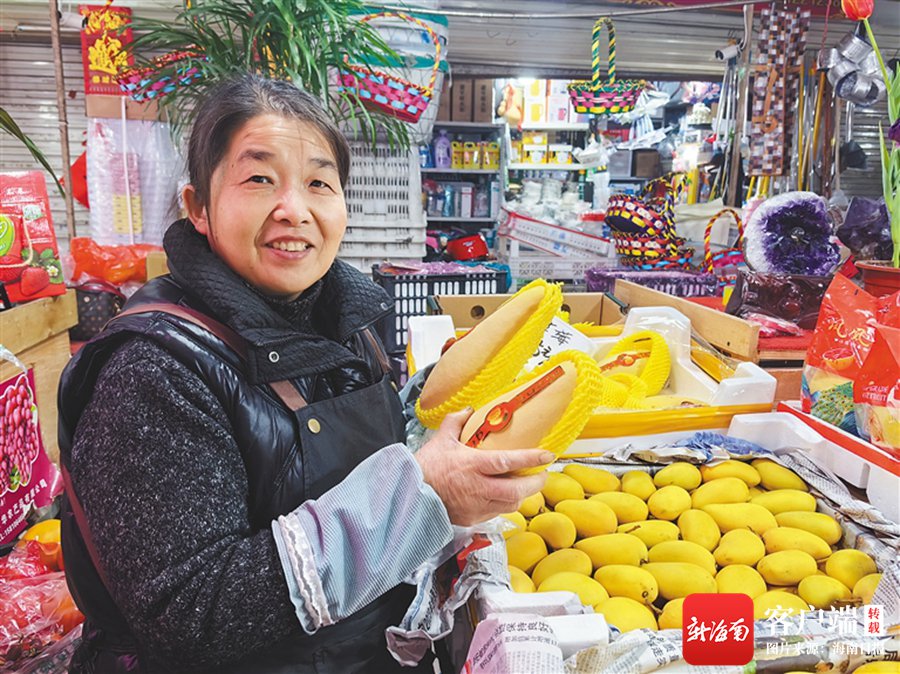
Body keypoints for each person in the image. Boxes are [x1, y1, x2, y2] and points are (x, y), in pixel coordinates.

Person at [58, 74, 551, 673]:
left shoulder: (347, 320)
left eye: (319, 183)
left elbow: (352, 454)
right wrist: (422, 492)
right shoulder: (151, 371)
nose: (294, 210)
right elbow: (189, 614)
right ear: (199, 208)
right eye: (259, 179)